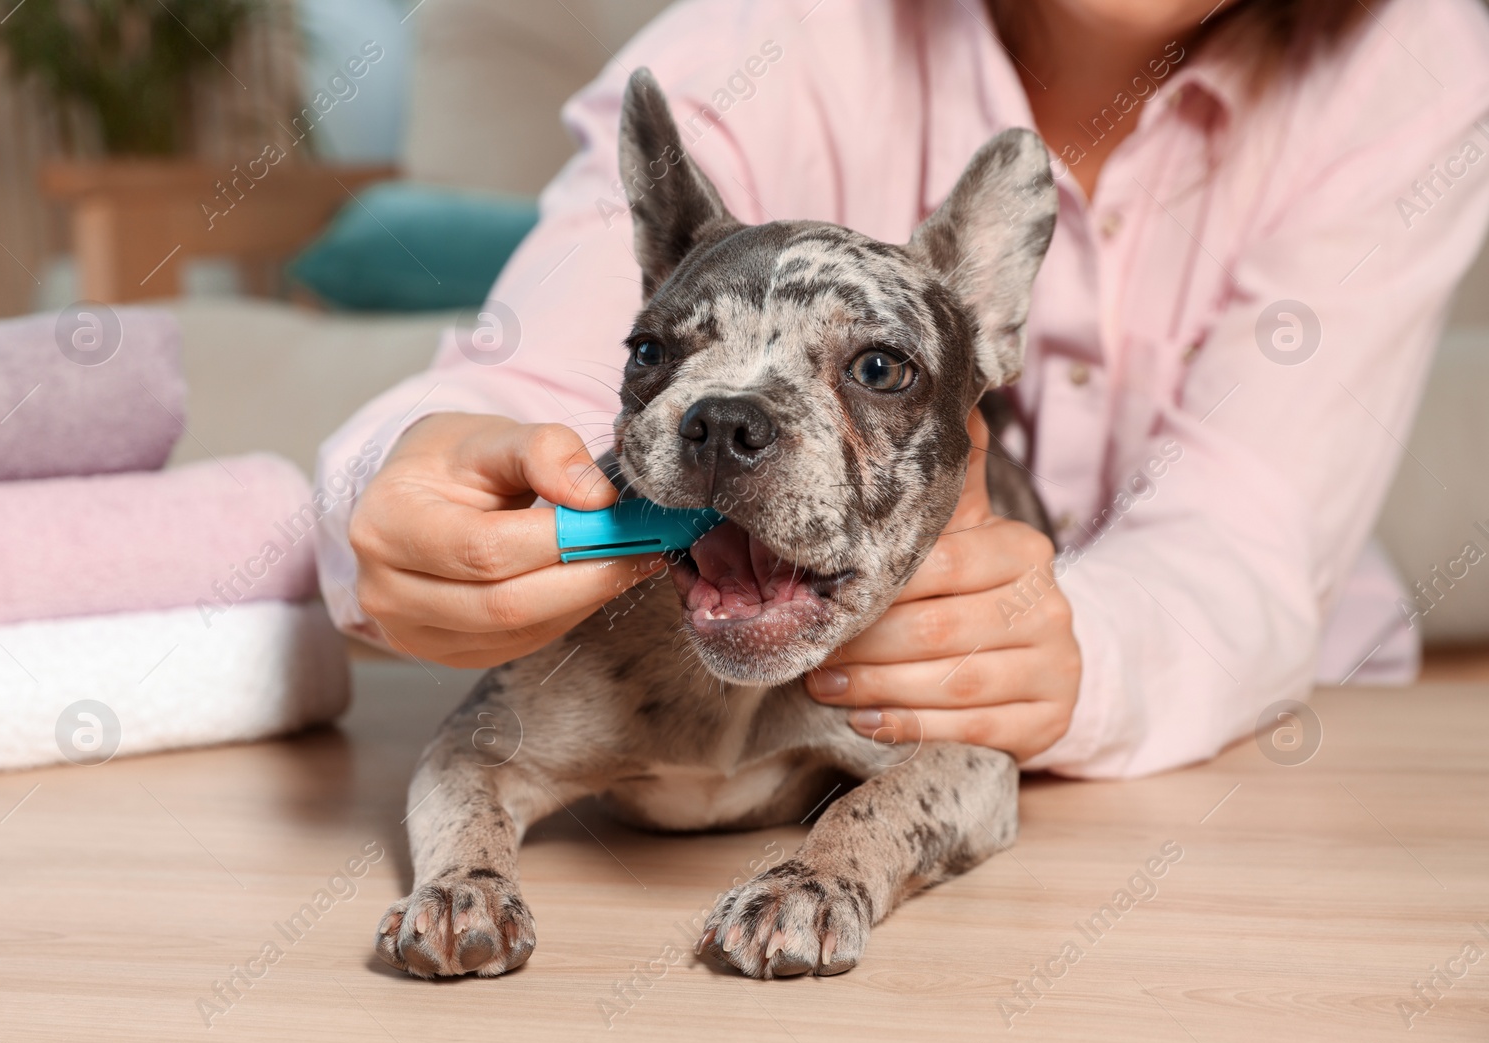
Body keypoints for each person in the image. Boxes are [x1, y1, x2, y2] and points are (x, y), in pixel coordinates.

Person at [315, 0, 1489, 777]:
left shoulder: (1419, 58)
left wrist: (1083, 656)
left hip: (1250, 736)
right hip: (743, 748)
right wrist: (404, 475)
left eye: (873, 368)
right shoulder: (779, 27)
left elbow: (1248, 530)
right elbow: (524, 378)